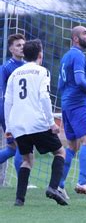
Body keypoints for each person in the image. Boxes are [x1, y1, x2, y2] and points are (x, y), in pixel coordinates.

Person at [4, 39, 68, 206]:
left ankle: (19, 199)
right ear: (40, 54)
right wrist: (51, 122)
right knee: (60, 153)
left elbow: (7, 102)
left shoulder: (14, 74)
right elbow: (44, 97)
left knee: (27, 160)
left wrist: (9, 127)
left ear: (24, 54)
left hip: (18, 124)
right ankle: (53, 187)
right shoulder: (42, 71)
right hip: (37, 122)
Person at [58, 26, 86, 198]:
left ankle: (59, 185)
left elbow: (63, 84)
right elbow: (79, 80)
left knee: (72, 146)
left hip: (67, 103)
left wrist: (84, 94)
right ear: (76, 38)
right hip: (77, 104)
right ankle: (83, 183)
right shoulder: (77, 55)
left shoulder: (66, 56)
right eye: (85, 33)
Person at [0, 34, 26, 175]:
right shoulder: (6, 67)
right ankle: (22, 183)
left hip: (18, 112)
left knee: (12, 149)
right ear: (11, 49)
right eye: (18, 45)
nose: (22, 47)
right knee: (22, 146)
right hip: (9, 112)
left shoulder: (27, 66)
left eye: (23, 45)